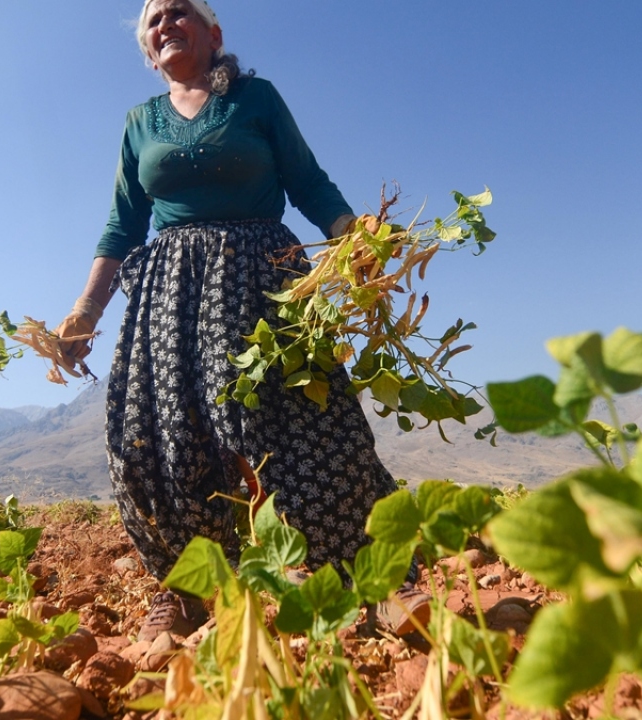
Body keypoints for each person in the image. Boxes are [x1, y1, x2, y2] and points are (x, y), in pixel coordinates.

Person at [55, 0, 427, 640]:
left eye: (178, 12)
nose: (165, 24)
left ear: (212, 32)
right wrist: (86, 310)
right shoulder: (139, 123)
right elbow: (123, 222)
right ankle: (185, 590)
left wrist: (354, 235)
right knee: (157, 441)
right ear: (147, 49)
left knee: (312, 432)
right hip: (168, 298)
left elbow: (309, 183)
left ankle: (380, 581)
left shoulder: (255, 99)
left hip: (263, 280)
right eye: (153, 21)